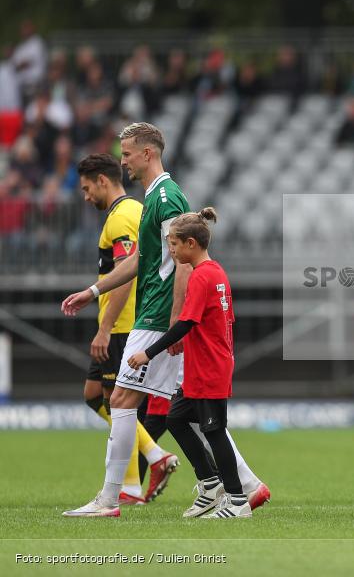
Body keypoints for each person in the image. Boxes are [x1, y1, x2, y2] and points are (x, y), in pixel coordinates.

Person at [60, 122, 268, 517]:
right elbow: (141, 260)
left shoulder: (167, 197)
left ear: (148, 153)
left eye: (127, 154)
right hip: (155, 314)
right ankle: (245, 485)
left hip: (157, 316)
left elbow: (184, 261)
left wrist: (175, 323)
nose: (123, 161)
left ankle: (110, 499)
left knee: (122, 399)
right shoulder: (154, 197)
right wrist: (95, 291)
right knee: (186, 408)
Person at [127, 208, 249, 519]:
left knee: (215, 431)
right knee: (175, 419)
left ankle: (238, 501)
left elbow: (185, 323)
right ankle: (210, 485)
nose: (171, 250)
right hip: (203, 366)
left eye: (173, 244)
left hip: (209, 367)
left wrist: (147, 353)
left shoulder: (201, 276)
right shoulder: (216, 272)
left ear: (191, 244)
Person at [76, 152, 177, 504]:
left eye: (87, 189)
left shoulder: (121, 218)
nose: (86, 196)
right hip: (126, 320)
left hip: (122, 323)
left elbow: (126, 276)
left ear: (103, 181)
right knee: (95, 395)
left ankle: (143, 471)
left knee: (117, 401)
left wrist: (105, 328)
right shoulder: (134, 210)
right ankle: (143, 469)